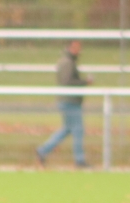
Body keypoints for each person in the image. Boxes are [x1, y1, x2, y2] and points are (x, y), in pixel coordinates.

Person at [34, 40, 91, 169]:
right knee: (77, 130)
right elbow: (67, 82)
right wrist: (84, 82)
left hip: (69, 101)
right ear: (70, 47)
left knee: (67, 129)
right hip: (69, 101)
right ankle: (79, 160)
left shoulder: (68, 62)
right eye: (77, 48)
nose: (79, 51)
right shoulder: (67, 62)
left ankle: (43, 150)